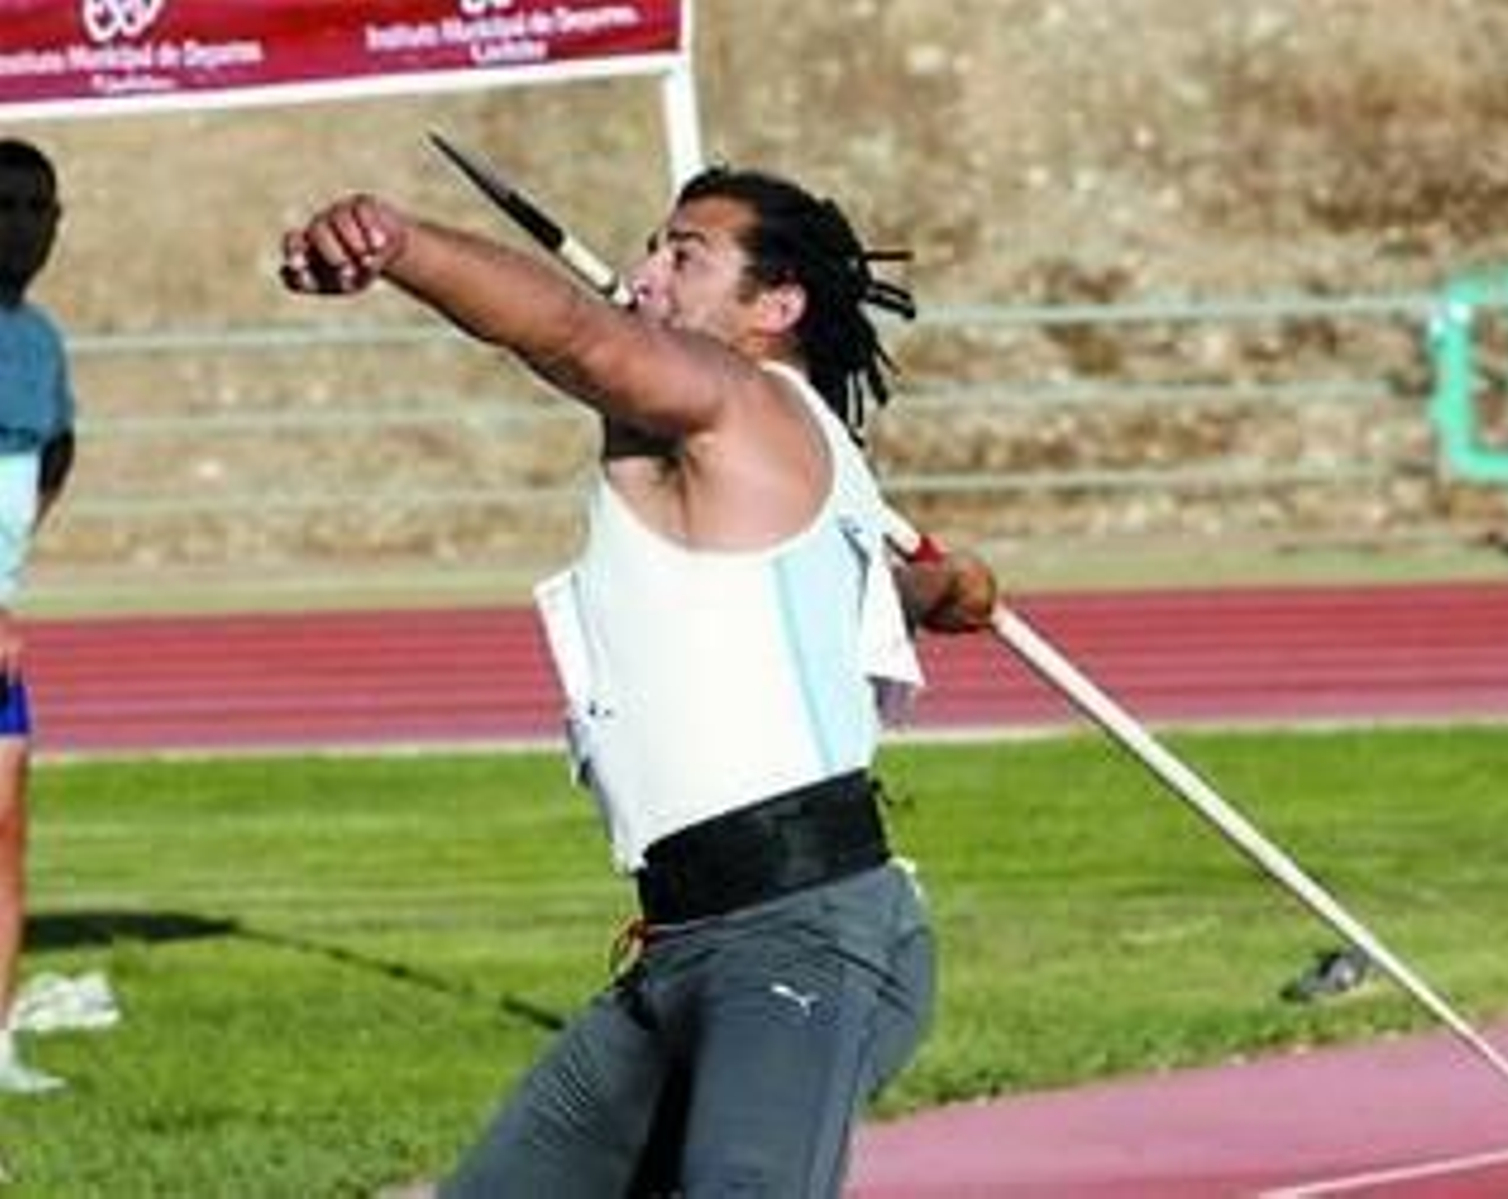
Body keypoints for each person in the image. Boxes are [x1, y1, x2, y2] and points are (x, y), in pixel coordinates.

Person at [281, 163, 996, 1196]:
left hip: (801, 926)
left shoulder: (733, 395)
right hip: (683, 941)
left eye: (683, 254)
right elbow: (797, 586)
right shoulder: (804, 443)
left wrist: (402, 245)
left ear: (775, 306)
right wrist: (938, 590)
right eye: (653, 245)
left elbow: (571, 333)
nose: (643, 270)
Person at [0, 137, 77, 1096]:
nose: (22, 224)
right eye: (4, 204)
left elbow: (56, 448)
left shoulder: (40, 338)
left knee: (6, 825)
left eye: (37, 207)